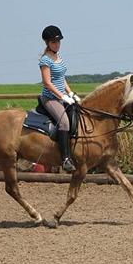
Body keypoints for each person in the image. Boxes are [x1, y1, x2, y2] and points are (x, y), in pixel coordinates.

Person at [39, 25, 80, 173]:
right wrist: (62, 96)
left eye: (58, 42)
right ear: (48, 43)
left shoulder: (59, 57)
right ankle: (65, 159)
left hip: (62, 97)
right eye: (54, 42)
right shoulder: (45, 60)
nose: (57, 44)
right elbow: (48, 83)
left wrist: (71, 93)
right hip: (50, 98)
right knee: (64, 123)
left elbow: (62, 79)